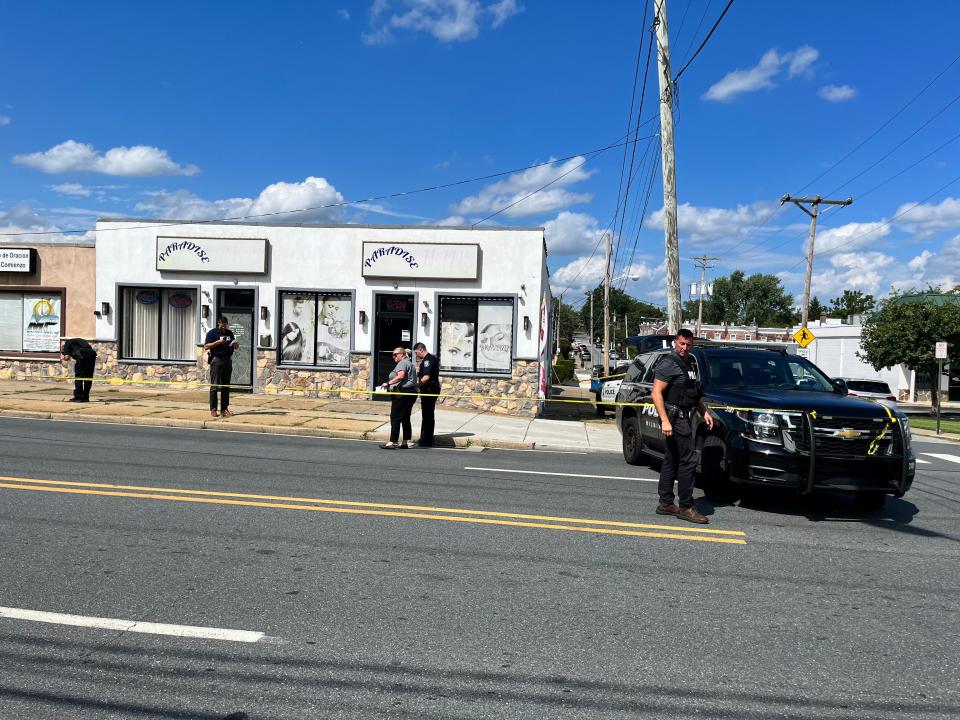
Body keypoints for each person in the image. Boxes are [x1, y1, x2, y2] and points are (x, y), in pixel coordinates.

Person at [651, 328, 714, 524]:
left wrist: (704, 412)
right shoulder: (668, 364)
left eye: (688, 345)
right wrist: (665, 420)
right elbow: (656, 393)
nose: (684, 348)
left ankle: (666, 502)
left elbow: (692, 393)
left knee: (672, 458)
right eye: (681, 344)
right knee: (688, 460)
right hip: (674, 417)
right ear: (675, 343)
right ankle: (686, 506)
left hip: (684, 415)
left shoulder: (689, 363)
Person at [379, 346, 416, 449]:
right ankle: (404, 442)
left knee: (395, 416)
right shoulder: (410, 363)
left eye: (395, 354)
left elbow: (400, 376)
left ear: (402, 355)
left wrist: (388, 383)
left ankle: (392, 442)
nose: (393, 356)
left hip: (402, 393)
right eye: (393, 354)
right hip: (410, 392)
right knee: (405, 417)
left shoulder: (403, 363)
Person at [203, 316, 239, 418]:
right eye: (222, 325)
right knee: (214, 386)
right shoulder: (212, 333)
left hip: (227, 360)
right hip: (216, 360)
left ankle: (224, 409)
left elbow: (234, 346)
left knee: (226, 386)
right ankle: (213, 409)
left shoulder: (229, 333)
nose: (223, 327)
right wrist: (217, 342)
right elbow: (206, 346)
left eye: (225, 325)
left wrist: (236, 345)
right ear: (218, 324)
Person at [413, 342, 440, 448]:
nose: (416, 355)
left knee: (427, 415)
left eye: (416, 352)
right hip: (430, 390)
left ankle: (426, 441)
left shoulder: (428, 360)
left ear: (421, 350)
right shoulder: (429, 359)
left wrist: (417, 385)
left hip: (429, 390)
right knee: (427, 415)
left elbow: (426, 377)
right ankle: (425, 439)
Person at [60, 338, 97, 402]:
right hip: (91, 355)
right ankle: (86, 397)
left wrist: (63, 358)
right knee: (88, 377)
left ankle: (78, 397)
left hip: (82, 355)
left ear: (63, 346)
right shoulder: (78, 342)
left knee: (79, 376)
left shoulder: (67, 343)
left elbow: (66, 357)